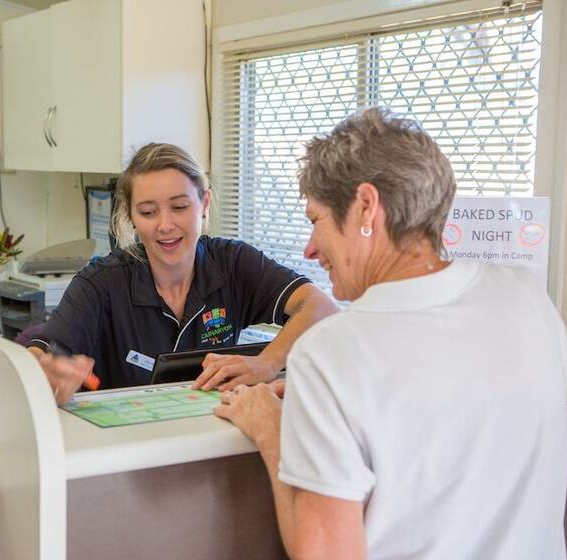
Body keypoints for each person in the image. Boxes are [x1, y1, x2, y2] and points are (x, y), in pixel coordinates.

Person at [215, 107, 567, 559]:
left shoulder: (330, 354)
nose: (309, 248)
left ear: (366, 206)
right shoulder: (525, 295)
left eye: (316, 220)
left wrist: (271, 428)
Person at [26, 143, 337, 404]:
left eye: (179, 207)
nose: (165, 225)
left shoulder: (234, 263)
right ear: (131, 216)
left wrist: (267, 363)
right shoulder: (100, 283)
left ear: (204, 203)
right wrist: (44, 370)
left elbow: (321, 307)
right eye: (148, 212)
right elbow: (36, 355)